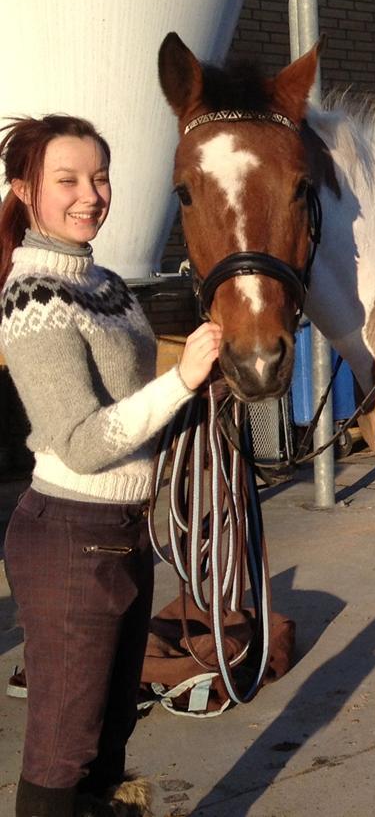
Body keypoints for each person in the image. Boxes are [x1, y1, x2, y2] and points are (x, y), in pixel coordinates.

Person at [0, 114, 221, 817]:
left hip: (123, 532)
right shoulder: (32, 296)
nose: (90, 194)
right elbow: (85, 441)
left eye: (99, 176)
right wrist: (181, 380)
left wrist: (203, 389)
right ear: (24, 189)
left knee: (109, 739)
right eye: (66, 179)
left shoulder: (101, 280)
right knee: (63, 752)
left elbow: (133, 402)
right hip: (69, 535)